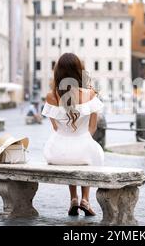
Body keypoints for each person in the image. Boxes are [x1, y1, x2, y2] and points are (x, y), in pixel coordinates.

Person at [41, 53, 104, 217]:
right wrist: (81, 137)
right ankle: (85, 199)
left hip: (57, 153)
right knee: (87, 154)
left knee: (70, 152)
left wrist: (68, 135)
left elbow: (55, 128)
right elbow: (93, 127)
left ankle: (73, 199)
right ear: (79, 70)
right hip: (83, 148)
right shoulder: (90, 94)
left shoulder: (51, 96)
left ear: (58, 72)